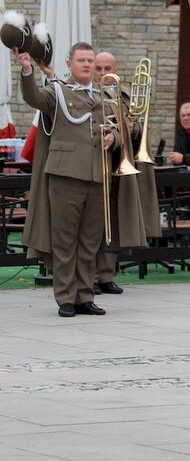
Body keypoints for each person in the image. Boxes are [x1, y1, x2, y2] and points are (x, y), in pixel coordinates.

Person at [17, 43, 117, 317]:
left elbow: (118, 128)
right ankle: (66, 298)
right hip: (65, 175)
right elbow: (35, 98)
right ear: (69, 64)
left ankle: (85, 295)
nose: (87, 65)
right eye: (82, 60)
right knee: (65, 240)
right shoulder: (59, 91)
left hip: (97, 175)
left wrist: (114, 137)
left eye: (90, 61)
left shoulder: (103, 95)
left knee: (89, 241)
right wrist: (27, 70)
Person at [91, 52, 150, 295]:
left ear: (116, 68)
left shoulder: (125, 96)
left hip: (120, 166)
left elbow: (136, 132)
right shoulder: (90, 95)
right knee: (95, 224)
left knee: (115, 223)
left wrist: (133, 129)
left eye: (107, 68)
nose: (103, 73)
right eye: (99, 68)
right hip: (97, 164)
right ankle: (91, 275)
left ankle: (106, 275)